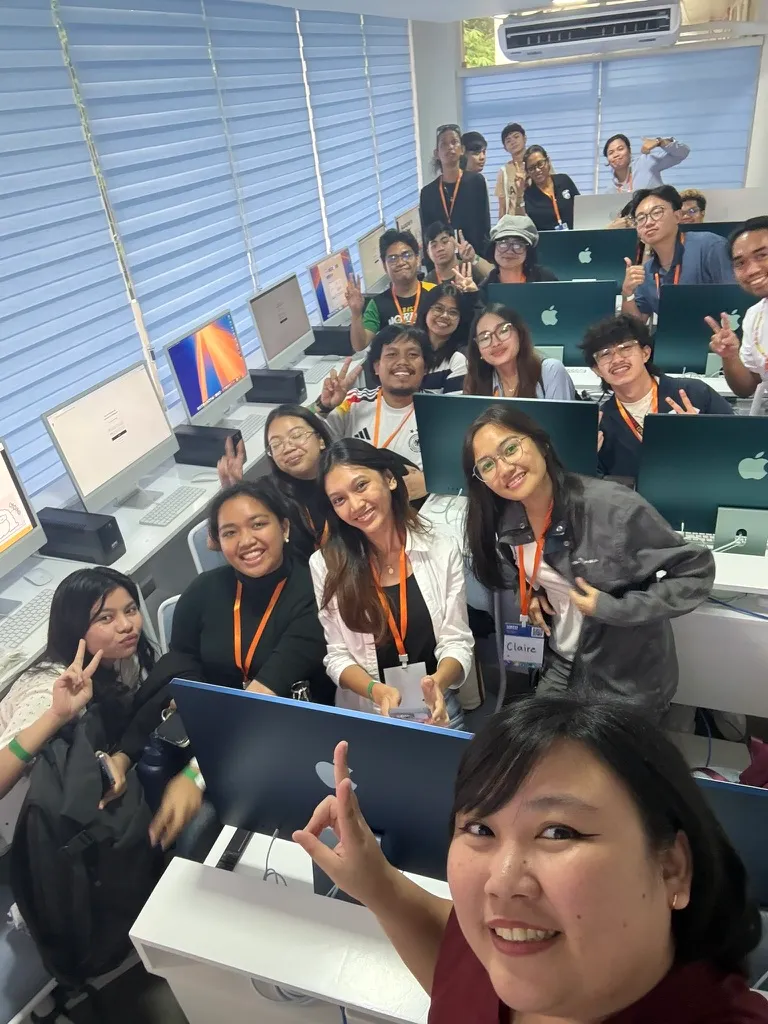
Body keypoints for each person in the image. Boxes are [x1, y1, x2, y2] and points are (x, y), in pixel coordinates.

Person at [293, 696, 768, 1023]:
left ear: (671, 868)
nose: (502, 882)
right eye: (480, 829)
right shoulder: (513, 944)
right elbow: (457, 964)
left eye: (558, 832)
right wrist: (376, 881)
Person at [463, 406, 715, 717]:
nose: (504, 468)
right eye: (487, 465)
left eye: (511, 448)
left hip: (624, 681)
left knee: (610, 764)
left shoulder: (613, 508)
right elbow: (529, 570)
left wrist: (614, 609)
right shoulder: (506, 517)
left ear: (541, 443)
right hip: (561, 661)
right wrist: (531, 596)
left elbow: (695, 572)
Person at [0, 568, 203, 848]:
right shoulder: (49, 691)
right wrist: (55, 716)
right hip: (23, 825)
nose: (126, 625)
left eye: (130, 610)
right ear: (75, 627)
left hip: (72, 794)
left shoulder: (121, 657)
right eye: (106, 618)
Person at [309, 440, 473, 728]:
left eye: (361, 486)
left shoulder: (440, 548)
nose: (355, 505)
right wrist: (377, 691)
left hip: (436, 707)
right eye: (339, 500)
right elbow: (336, 656)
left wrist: (437, 683)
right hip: (369, 712)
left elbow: (456, 639)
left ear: (389, 479)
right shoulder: (326, 564)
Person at [171, 480, 334, 704]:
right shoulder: (202, 590)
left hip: (298, 723)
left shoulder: (315, 590)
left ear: (284, 528)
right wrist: (192, 701)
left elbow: (277, 678)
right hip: (213, 719)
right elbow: (181, 662)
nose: (246, 541)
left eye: (257, 525)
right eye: (230, 532)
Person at [581, 315, 734, 479]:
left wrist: (701, 435)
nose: (617, 359)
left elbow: (738, 446)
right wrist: (584, 461)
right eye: (605, 354)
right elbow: (593, 489)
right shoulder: (599, 424)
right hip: (634, 503)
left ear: (645, 353)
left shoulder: (694, 393)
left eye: (626, 348)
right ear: (597, 370)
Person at [312, 328, 431, 500]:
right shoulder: (353, 402)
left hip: (413, 507)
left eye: (412, 355)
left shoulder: (438, 412)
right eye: (391, 355)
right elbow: (307, 434)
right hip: (356, 504)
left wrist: (430, 484)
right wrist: (323, 406)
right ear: (376, 367)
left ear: (425, 367)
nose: (402, 362)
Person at [217, 406, 333, 561]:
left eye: (297, 435)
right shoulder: (265, 493)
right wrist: (232, 494)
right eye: (276, 444)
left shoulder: (344, 477)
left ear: (320, 440)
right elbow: (214, 543)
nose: (288, 448)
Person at [622, 186, 735, 321]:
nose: (649, 222)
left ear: (677, 216)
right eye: (641, 218)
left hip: (717, 337)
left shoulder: (710, 246)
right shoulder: (646, 271)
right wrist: (627, 292)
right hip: (671, 339)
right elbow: (637, 323)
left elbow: (737, 299)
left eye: (657, 212)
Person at [709, 216, 768, 405]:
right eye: (740, 263)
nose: (751, 270)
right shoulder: (755, 316)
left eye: (762, 255)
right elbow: (745, 388)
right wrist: (730, 357)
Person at [347, 229, 434, 353]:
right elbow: (359, 345)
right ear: (384, 266)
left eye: (407, 255)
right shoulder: (378, 304)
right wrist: (356, 313)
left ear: (417, 259)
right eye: (393, 258)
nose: (401, 262)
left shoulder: (434, 293)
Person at [464, 305, 574, 401]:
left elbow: (561, 423)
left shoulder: (550, 371)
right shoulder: (477, 382)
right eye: (484, 338)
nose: (495, 343)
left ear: (519, 333)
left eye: (503, 331)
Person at [419, 125, 490, 268]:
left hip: (474, 262)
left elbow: (484, 230)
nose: (450, 147)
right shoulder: (428, 193)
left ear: (462, 149)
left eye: (454, 142)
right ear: (437, 153)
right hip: (443, 268)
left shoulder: (476, 182)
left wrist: (485, 266)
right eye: (444, 144)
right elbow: (428, 238)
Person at [477, 216, 557, 302]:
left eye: (518, 245)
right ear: (493, 248)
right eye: (503, 244)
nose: (509, 251)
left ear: (528, 251)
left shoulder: (544, 278)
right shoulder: (485, 288)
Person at [417, 283, 471, 393]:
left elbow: (451, 407)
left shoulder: (458, 359)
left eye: (453, 312)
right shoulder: (407, 346)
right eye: (438, 308)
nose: (445, 316)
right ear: (426, 310)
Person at [603, 133, 690, 194]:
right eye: (611, 153)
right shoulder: (610, 191)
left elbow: (682, 153)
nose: (616, 154)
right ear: (608, 160)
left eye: (620, 149)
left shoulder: (645, 162)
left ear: (629, 151)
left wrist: (660, 142)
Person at [522, 145, 579, 232]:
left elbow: (580, 209)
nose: (537, 170)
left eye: (540, 164)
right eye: (532, 168)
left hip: (575, 237)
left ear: (548, 161)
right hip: (547, 242)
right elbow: (522, 223)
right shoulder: (528, 195)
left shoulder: (564, 180)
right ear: (527, 172)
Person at [423, 221, 493, 286]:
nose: (440, 248)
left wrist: (474, 258)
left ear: (454, 243)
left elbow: (497, 276)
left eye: (445, 241)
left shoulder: (469, 268)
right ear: (428, 253)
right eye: (434, 246)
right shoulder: (427, 283)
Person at [494, 122, 527, 219]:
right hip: (514, 224)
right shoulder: (503, 172)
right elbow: (502, 207)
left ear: (525, 138)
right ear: (505, 148)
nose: (513, 142)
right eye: (508, 141)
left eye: (516, 137)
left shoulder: (538, 164)